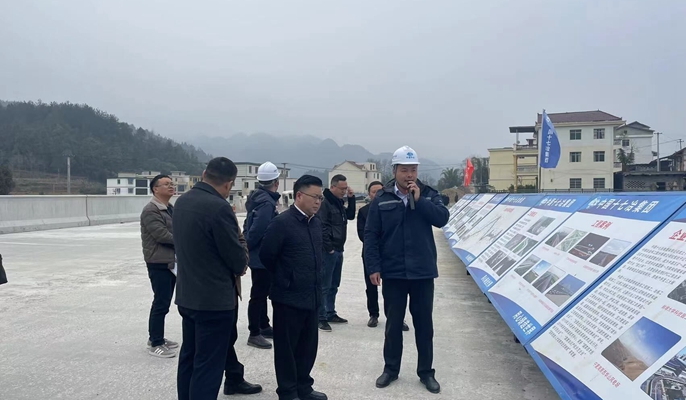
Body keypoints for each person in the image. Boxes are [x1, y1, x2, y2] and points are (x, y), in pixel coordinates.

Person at [364, 145, 449, 394]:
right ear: (394, 171)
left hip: (422, 272)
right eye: (404, 170)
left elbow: (442, 218)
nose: (409, 174)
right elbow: (371, 234)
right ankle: (391, 369)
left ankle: (426, 373)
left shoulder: (429, 194)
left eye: (413, 169)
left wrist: (419, 200)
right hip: (393, 273)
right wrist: (373, 266)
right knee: (393, 325)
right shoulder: (382, 198)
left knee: (424, 326)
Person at [173, 157, 259, 400]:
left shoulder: (182, 201)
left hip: (188, 295)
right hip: (213, 301)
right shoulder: (219, 208)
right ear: (229, 184)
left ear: (204, 174)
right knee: (208, 365)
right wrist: (243, 248)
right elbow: (238, 261)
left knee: (189, 358)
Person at [259, 175, 328, 400]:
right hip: (288, 297)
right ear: (299, 196)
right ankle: (288, 392)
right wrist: (287, 278)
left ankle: (304, 387)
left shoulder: (315, 222)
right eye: (314, 197)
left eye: (321, 198)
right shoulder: (282, 223)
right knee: (287, 349)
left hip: (312, 295)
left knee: (308, 347)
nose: (318, 202)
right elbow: (267, 256)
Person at [357, 181, 410, 331]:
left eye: (379, 191)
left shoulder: (393, 208)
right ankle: (373, 314)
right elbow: (363, 234)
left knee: (394, 288)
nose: (376, 194)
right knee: (371, 286)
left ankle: (397, 317)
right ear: (369, 194)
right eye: (373, 192)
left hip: (390, 254)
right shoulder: (364, 211)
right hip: (371, 253)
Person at [243, 161, 282, 349]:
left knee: (261, 292)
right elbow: (259, 230)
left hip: (257, 255)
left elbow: (248, 226)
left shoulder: (256, 198)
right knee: (259, 295)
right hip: (262, 257)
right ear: (276, 182)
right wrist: (247, 248)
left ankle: (263, 325)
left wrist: (246, 247)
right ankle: (254, 332)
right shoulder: (267, 203)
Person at [140, 174, 178, 358]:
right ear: (155, 189)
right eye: (166, 184)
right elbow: (161, 235)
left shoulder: (169, 208)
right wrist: (186, 240)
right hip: (158, 261)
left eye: (172, 183)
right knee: (161, 302)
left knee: (165, 301)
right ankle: (155, 342)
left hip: (170, 261)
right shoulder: (151, 210)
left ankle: (157, 337)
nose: (171, 186)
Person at [223, 224, 263, 396]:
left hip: (223, 288)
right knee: (222, 338)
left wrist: (243, 259)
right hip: (217, 291)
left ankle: (233, 378)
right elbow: (235, 245)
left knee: (228, 336)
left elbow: (241, 239)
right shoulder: (218, 213)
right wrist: (241, 263)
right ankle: (233, 377)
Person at [317, 174, 356, 332]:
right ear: (332, 187)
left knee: (334, 284)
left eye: (346, 188)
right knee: (324, 285)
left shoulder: (338, 203)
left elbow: (350, 216)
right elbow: (322, 227)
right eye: (342, 189)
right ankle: (320, 317)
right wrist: (329, 248)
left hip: (339, 249)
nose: (344, 191)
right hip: (329, 250)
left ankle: (330, 312)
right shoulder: (325, 203)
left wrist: (351, 199)